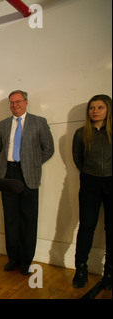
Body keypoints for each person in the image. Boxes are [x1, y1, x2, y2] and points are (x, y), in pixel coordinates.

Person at [0, 90, 54, 275]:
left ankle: (26, 261)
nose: (15, 105)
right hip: (8, 174)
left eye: (18, 101)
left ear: (26, 102)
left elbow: (48, 149)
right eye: (11, 102)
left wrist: (32, 164)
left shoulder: (39, 122)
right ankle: (13, 258)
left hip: (29, 175)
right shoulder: (2, 125)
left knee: (28, 219)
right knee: (11, 219)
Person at [72, 94, 112, 289]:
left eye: (100, 107)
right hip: (90, 183)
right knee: (86, 227)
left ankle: (109, 272)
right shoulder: (81, 133)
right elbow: (78, 159)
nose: (95, 111)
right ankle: (81, 269)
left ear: (108, 110)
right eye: (92, 107)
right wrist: (90, 174)